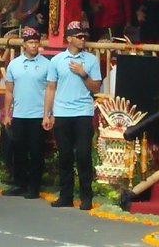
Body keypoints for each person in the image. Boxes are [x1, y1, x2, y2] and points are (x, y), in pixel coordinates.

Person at [43, 21, 101, 211]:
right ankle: (65, 196)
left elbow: (96, 87)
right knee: (65, 156)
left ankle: (86, 196)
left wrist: (83, 73)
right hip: (62, 113)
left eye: (84, 36)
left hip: (83, 112)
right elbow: (51, 88)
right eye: (79, 36)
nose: (83, 39)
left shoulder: (91, 60)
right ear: (69, 39)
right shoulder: (57, 60)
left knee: (84, 155)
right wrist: (47, 114)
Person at [2, 27, 49, 199]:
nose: (34, 46)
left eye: (36, 42)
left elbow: (51, 90)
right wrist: (7, 113)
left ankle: (34, 187)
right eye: (30, 42)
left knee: (36, 152)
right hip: (20, 114)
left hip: (38, 115)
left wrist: (48, 114)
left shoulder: (47, 64)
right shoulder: (14, 64)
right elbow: (9, 91)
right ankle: (19, 184)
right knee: (18, 151)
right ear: (24, 44)